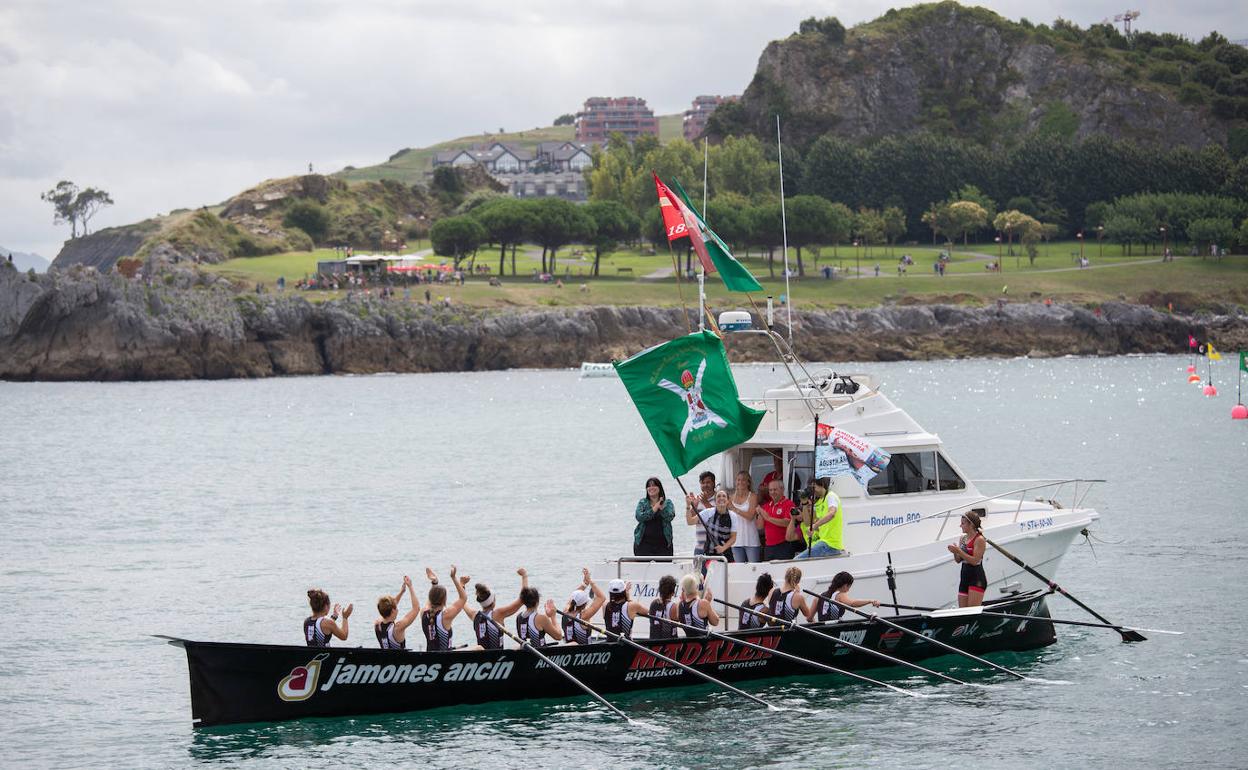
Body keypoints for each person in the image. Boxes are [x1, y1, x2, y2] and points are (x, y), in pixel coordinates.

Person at [464, 568, 528, 650]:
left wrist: (462, 585)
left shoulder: (474, 614)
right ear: (493, 601)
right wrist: (524, 576)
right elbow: (522, 599)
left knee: (478, 648)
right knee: (520, 647)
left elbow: (463, 602)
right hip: (498, 657)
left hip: (481, 658)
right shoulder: (498, 613)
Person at [421, 566, 469, 651]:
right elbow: (463, 598)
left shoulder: (423, 613)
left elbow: (430, 601)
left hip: (429, 658)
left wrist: (435, 582)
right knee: (479, 648)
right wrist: (454, 578)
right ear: (444, 599)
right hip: (446, 658)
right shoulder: (446, 615)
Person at [795, 477, 845, 559]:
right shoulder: (819, 501)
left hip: (830, 544)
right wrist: (804, 503)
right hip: (824, 543)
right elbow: (808, 523)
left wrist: (815, 526)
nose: (812, 491)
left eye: (813, 488)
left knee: (797, 560)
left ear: (821, 484)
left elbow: (832, 513)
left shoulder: (831, 496)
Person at [948, 511, 987, 607]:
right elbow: (958, 560)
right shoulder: (962, 538)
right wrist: (955, 552)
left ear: (971, 525)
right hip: (964, 577)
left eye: (963, 523)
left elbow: (975, 561)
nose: (960, 525)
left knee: (971, 613)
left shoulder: (980, 540)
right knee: (963, 613)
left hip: (976, 578)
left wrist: (959, 550)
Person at [375, 575, 421, 650]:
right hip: (400, 661)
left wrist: (401, 592)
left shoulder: (377, 624)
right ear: (393, 611)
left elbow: (390, 606)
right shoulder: (398, 628)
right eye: (396, 608)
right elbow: (416, 608)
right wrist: (410, 586)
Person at [562, 568, 607, 644]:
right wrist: (590, 582)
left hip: (568, 649)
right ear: (585, 604)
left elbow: (574, 596)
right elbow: (601, 598)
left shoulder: (565, 611)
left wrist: (585, 583)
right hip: (585, 652)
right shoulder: (584, 616)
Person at [813, 571, 879, 623]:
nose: (848, 590)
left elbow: (809, 618)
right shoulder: (839, 595)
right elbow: (853, 603)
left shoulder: (818, 596)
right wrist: (870, 601)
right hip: (835, 630)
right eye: (849, 587)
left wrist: (819, 628)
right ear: (845, 585)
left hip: (823, 631)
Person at [634, 477, 675, 556]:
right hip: (644, 544)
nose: (651, 488)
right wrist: (654, 509)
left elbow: (670, 516)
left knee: (665, 567)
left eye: (654, 485)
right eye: (649, 486)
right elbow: (639, 517)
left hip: (663, 544)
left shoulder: (667, 503)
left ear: (660, 488)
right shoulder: (643, 502)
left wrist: (662, 509)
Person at [759, 479, 799, 561]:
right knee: (768, 572)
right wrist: (759, 513)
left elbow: (787, 522)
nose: (772, 492)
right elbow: (760, 526)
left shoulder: (789, 504)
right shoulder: (766, 506)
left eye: (775, 489)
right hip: (769, 546)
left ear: (782, 489)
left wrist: (768, 518)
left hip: (783, 545)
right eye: (770, 490)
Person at [728, 471, 761, 563]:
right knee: (740, 571)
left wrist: (734, 509)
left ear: (748, 482)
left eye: (743, 480)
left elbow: (750, 516)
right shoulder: (730, 498)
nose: (740, 482)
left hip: (751, 540)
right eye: (738, 480)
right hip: (735, 541)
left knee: (754, 569)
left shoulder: (753, 496)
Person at [695, 490, 737, 562]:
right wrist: (688, 506)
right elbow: (690, 521)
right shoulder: (708, 512)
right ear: (715, 500)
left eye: (724, 496)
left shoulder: (732, 515)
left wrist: (723, 548)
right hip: (710, 555)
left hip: (726, 555)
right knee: (714, 572)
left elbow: (733, 537)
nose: (721, 498)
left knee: (730, 573)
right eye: (718, 496)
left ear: (728, 501)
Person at [685, 471, 716, 554]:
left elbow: (719, 516)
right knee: (698, 567)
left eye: (708, 482)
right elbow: (690, 520)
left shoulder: (719, 497)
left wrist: (706, 503)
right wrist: (693, 506)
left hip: (715, 546)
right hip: (700, 546)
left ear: (713, 483)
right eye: (703, 483)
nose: (705, 485)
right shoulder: (698, 499)